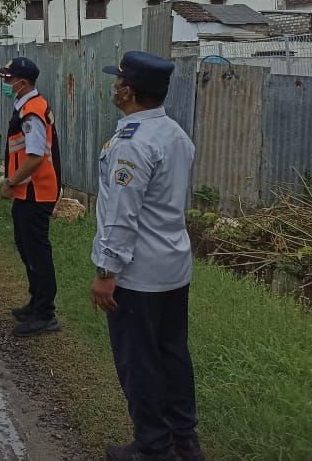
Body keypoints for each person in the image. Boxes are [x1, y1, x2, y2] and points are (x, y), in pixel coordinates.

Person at [91, 51, 203, 461]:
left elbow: (122, 216)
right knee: (173, 355)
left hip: (137, 275)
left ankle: (154, 447)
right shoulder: (175, 133)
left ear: (129, 92)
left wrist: (106, 270)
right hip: (173, 267)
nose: (113, 88)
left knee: (139, 363)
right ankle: (184, 442)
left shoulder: (132, 143)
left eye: (117, 82)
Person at [0, 56, 62, 337]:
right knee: (26, 247)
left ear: (22, 83)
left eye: (8, 79)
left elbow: (34, 157)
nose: (5, 83)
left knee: (36, 252)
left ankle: (45, 314)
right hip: (29, 192)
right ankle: (36, 303)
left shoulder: (32, 112)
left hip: (36, 191)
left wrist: (11, 181)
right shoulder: (28, 106)